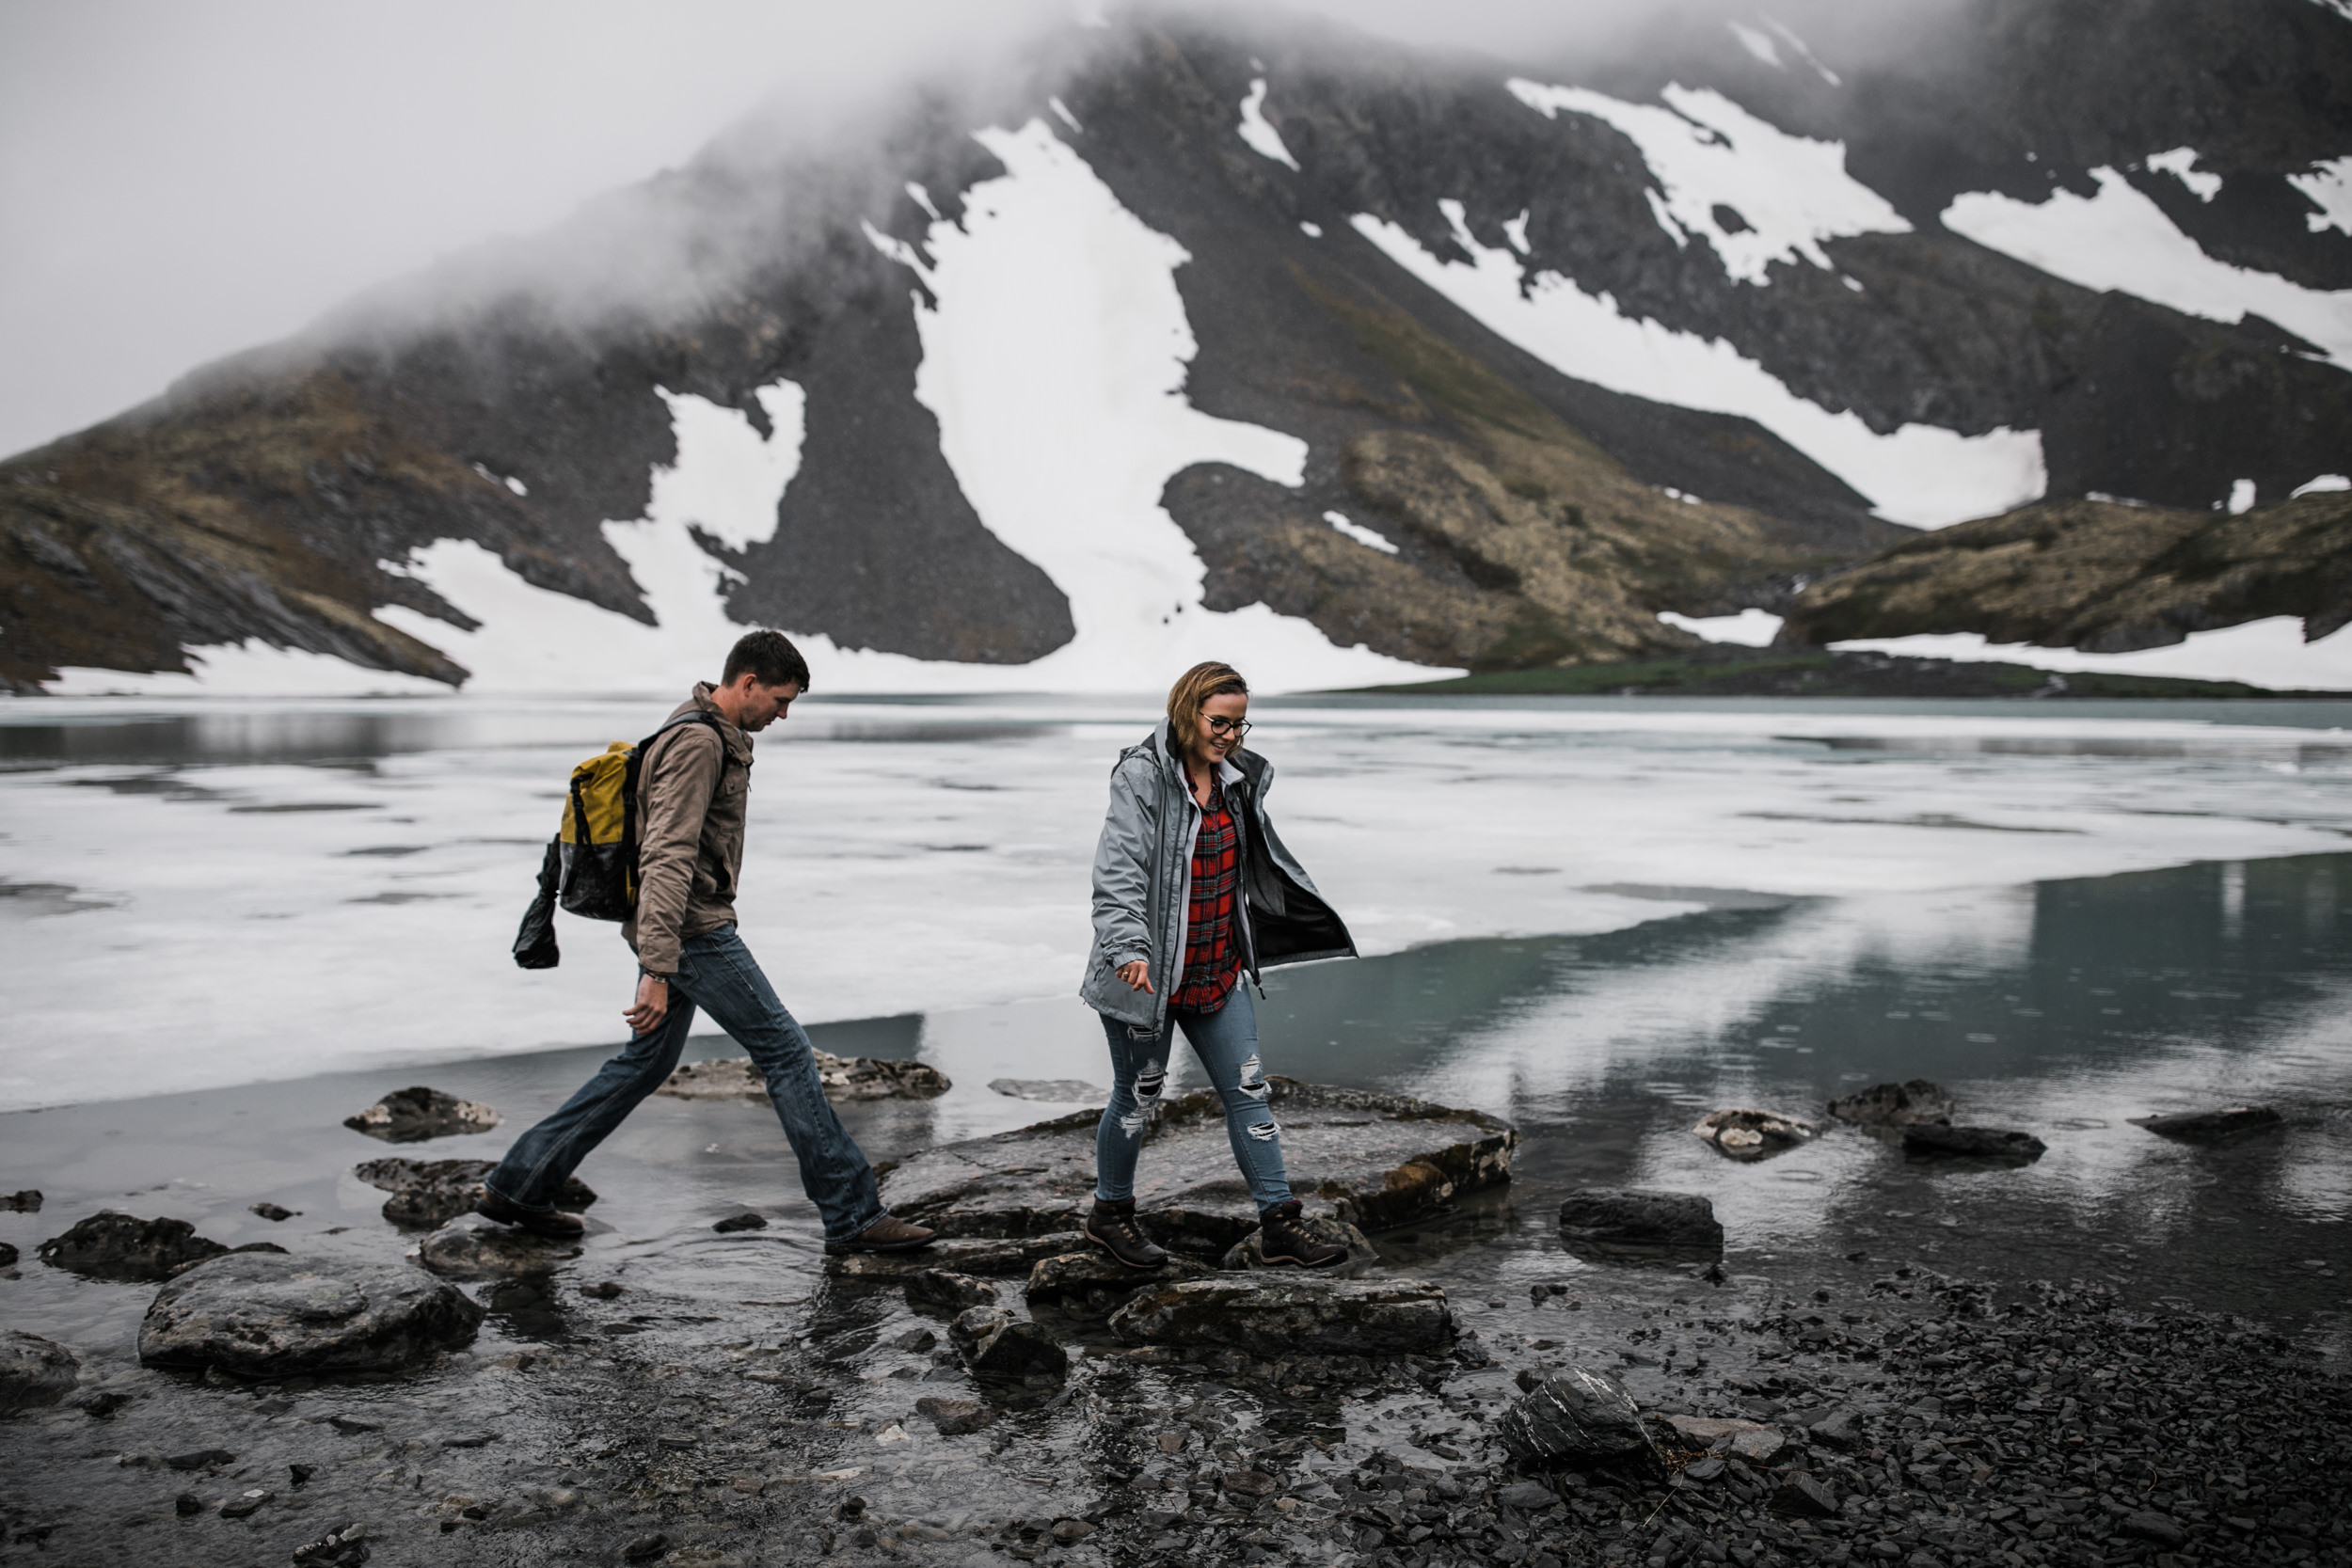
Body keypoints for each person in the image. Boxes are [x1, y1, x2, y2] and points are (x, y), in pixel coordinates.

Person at [477, 630, 935, 1256]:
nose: (783, 713)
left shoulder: (700, 727)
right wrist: (658, 969)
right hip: (692, 932)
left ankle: (520, 1183)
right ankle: (853, 1213)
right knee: (787, 1053)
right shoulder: (697, 742)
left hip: (672, 927)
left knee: (644, 1063)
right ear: (747, 683)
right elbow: (667, 856)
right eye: (779, 699)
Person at [1078, 660, 1357, 1269]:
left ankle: (1280, 1223)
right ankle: (1110, 1216)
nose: (1230, 736)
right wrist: (1127, 948)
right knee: (1139, 1095)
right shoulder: (1143, 776)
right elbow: (1117, 871)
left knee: (1250, 1090)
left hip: (1217, 970)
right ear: (1187, 710)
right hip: (1147, 978)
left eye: (1239, 724)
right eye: (1219, 722)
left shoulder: (1239, 779)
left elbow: (1258, 864)